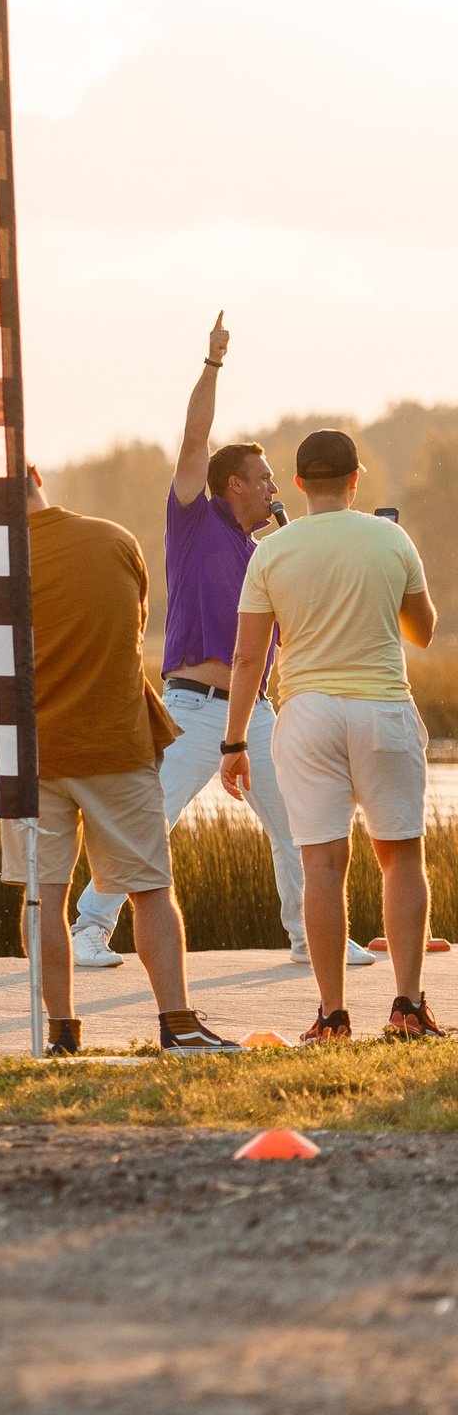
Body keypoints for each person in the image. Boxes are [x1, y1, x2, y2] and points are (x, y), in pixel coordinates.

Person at [68, 315, 373, 970]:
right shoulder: (194, 522)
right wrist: (213, 363)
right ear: (232, 483)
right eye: (263, 479)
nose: (272, 488)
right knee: (151, 819)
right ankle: (89, 928)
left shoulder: (264, 555)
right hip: (193, 708)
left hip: (253, 713)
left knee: (297, 821)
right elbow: (195, 437)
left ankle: (307, 936)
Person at [8, 464, 242, 1053]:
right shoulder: (114, 540)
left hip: (30, 758)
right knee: (150, 890)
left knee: (44, 896)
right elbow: (132, 629)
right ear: (35, 474)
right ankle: (178, 1025)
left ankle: (60, 1033)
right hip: (115, 743)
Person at [220, 430, 440, 1042]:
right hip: (382, 709)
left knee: (322, 862)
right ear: (355, 478)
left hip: (307, 714)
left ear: (297, 484)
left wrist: (234, 743)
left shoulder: (270, 552)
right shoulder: (391, 538)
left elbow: (246, 659)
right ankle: (407, 1007)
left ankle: (333, 1015)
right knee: (401, 857)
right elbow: (421, 632)